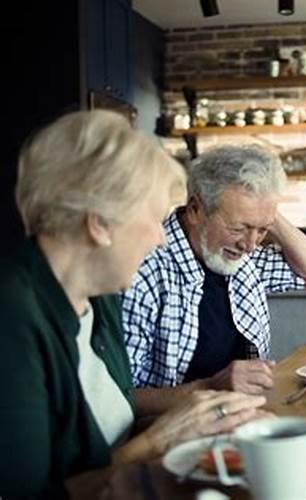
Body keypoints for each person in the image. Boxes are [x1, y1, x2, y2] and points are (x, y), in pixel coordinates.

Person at [0, 111, 271, 500]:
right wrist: (155, 444)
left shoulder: (99, 299)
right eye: (156, 219)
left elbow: (117, 417)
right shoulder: (12, 316)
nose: (162, 239)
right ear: (100, 223)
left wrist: (203, 418)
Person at [122, 144, 306, 414]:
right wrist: (212, 387)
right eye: (238, 228)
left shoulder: (243, 260)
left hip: (245, 419)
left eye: (262, 231)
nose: (250, 244)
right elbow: (119, 401)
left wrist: (262, 212)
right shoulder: (143, 271)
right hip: (173, 435)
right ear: (196, 210)